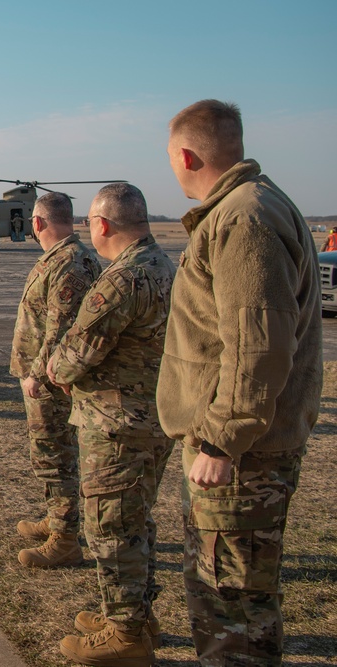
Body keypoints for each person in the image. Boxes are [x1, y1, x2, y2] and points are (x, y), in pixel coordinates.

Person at [158, 99, 322, 666]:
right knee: (231, 595)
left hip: (241, 454)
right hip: (242, 445)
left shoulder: (243, 218)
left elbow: (259, 343)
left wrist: (223, 437)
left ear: (185, 155)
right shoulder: (253, 206)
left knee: (232, 609)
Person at [47, 184, 176, 666]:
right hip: (154, 416)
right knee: (136, 519)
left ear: (102, 225)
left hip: (118, 423)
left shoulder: (120, 280)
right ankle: (135, 614)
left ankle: (126, 637)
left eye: (89, 224)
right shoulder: (163, 266)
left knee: (112, 526)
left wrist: (56, 370)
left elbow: (75, 353)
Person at [9, 192, 101, 569]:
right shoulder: (62, 259)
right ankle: (57, 517)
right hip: (45, 375)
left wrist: (36, 376)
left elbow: (60, 330)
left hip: (48, 379)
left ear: (38, 223)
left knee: (54, 454)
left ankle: (65, 538)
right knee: (51, 453)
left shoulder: (70, 263)